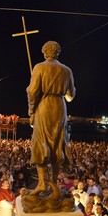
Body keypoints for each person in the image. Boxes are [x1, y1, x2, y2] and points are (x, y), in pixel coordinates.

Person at [26, 40, 76, 195]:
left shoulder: (39, 67)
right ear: (58, 52)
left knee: (41, 142)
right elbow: (71, 95)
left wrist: (31, 111)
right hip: (60, 107)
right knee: (57, 144)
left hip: (44, 107)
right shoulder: (67, 70)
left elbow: (33, 92)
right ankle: (53, 183)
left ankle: (41, 183)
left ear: (44, 52)